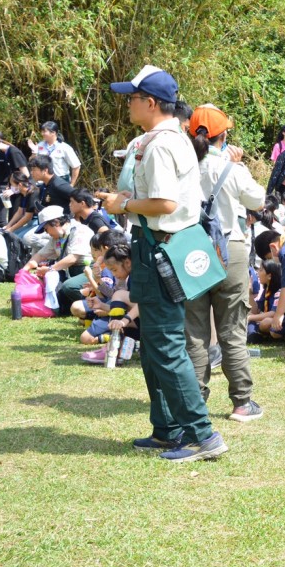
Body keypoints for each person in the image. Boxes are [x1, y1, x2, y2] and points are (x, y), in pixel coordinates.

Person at [101, 65, 227, 462]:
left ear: (151, 103)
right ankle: (167, 430)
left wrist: (122, 204)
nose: (128, 104)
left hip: (158, 248)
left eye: (132, 98)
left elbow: (165, 204)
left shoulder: (158, 145)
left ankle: (203, 436)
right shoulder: (166, 140)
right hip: (155, 246)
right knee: (156, 346)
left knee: (168, 346)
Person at [182, 104, 267, 423]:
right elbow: (257, 200)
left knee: (195, 330)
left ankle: (195, 399)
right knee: (232, 328)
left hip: (190, 250)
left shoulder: (183, 166)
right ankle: (242, 402)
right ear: (224, 135)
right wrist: (238, 164)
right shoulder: (233, 168)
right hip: (230, 249)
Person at [0, 131, 29, 227]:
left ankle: (8, 239)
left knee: (2, 219)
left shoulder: (11, 152)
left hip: (6, 187)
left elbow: (25, 175)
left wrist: (13, 189)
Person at [34, 121, 81, 185]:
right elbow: (33, 162)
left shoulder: (64, 147)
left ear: (53, 133)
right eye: (42, 131)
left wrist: (72, 184)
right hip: (43, 182)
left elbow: (76, 166)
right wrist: (33, 152)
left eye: (44, 131)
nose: (42, 134)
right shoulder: (39, 146)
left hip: (61, 181)